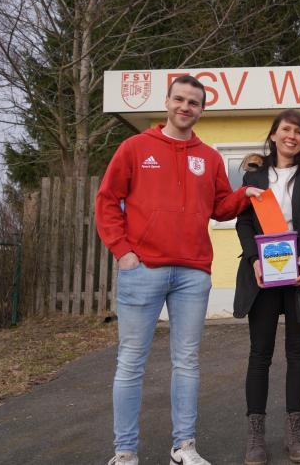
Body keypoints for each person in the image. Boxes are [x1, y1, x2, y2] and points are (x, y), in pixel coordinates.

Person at [96, 75, 263, 465]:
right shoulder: (135, 148)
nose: (186, 107)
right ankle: (125, 453)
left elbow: (219, 207)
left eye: (194, 102)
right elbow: (107, 201)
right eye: (180, 99)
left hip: (192, 273)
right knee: (130, 362)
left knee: (186, 362)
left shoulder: (209, 158)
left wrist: (244, 195)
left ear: (202, 110)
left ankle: (184, 448)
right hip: (142, 269)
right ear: (167, 102)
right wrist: (123, 252)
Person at [233, 109, 300, 464]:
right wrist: (254, 260)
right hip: (263, 274)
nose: (292, 136)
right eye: (286, 129)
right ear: (274, 134)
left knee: (298, 353)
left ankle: (294, 434)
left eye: (299, 132)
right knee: (259, 354)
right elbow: (244, 223)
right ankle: (256, 437)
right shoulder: (254, 174)